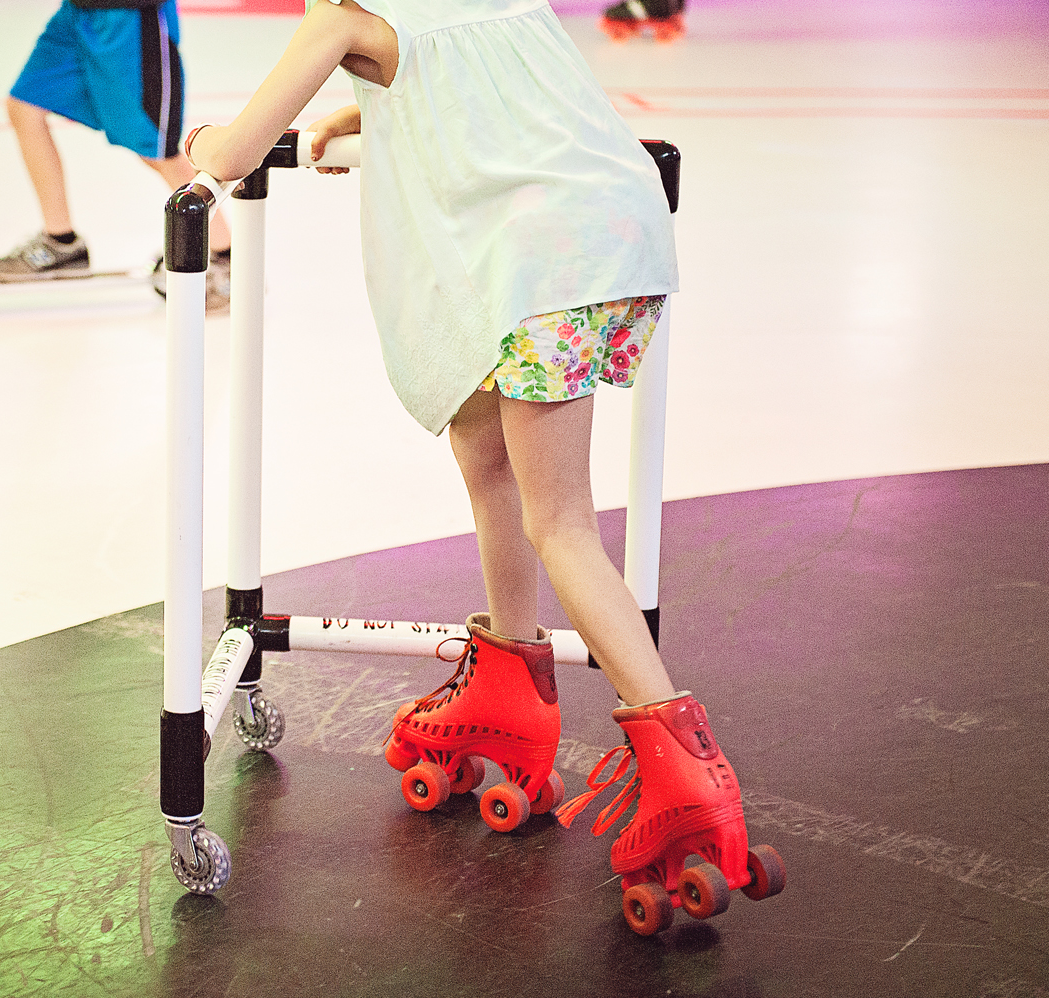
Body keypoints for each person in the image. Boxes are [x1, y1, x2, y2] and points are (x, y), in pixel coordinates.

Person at [184, 0, 783, 933]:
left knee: (563, 525)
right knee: (482, 440)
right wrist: (359, 113)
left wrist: (214, 133)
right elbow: (471, 84)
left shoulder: (345, 23)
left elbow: (225, 155)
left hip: (544, 274)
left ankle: (686, 767)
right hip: (614, 238)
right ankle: (511, 674)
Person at [0, 0, 234, 310]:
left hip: (130, 17)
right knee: (24, 107)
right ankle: (61, 241)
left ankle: (224, 257)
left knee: (158, 151)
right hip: (77, 12)